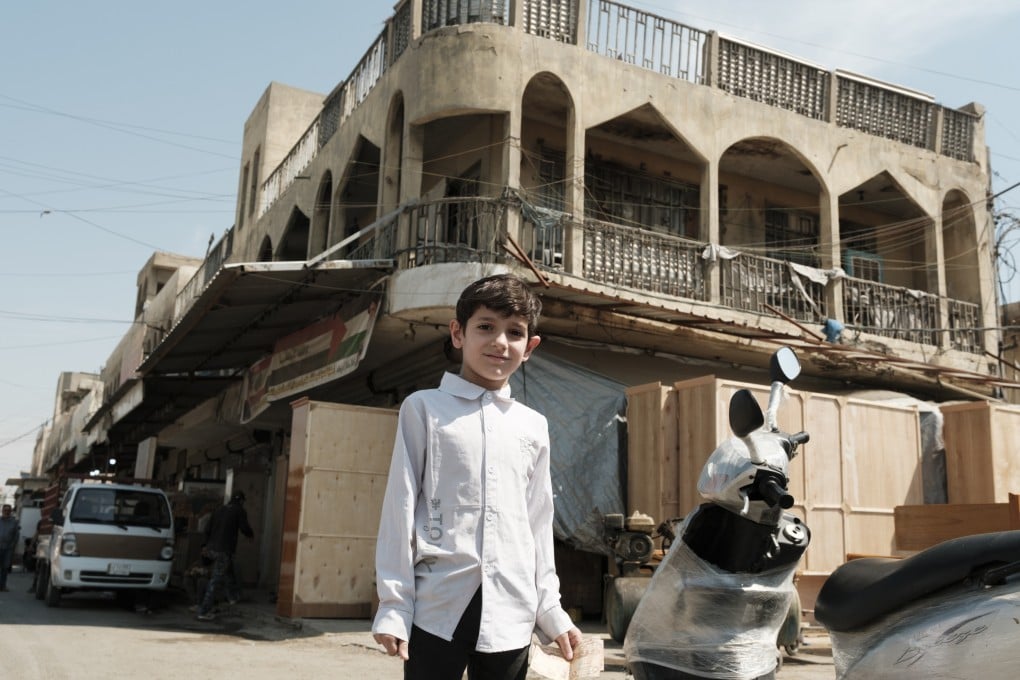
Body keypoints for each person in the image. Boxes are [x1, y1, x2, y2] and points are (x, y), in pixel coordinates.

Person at [372, 274, 582, 680]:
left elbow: (537, 523)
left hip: (512, 613)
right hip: (438, 606)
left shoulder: (533, 425)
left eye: (515, 332)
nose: (499, 342)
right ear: (458, 333)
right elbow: (399, 507)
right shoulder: (424, 410)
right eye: (485, 326)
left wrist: (550, 610)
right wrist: (394, 606)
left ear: (530, 347)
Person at [195, 490, 253, 621]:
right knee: (215, 580)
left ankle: (233, 597)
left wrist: (204, 546)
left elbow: (207, 529)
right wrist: (250, 535)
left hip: (210, 549)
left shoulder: (219, 510)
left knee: (228, 569)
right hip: (223, 550)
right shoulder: (239, 510)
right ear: (242, 501)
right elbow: (244, 527)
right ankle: (204, 611)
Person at [0, 504, 19, 592]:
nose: (6, 512)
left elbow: (16, 535)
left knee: (5, 567)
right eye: (5, 510)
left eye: (8, 510)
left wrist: (13, 546)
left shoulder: (14, 522)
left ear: (10, 511)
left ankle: (2, 586)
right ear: (2, 511)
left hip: (8, 548)